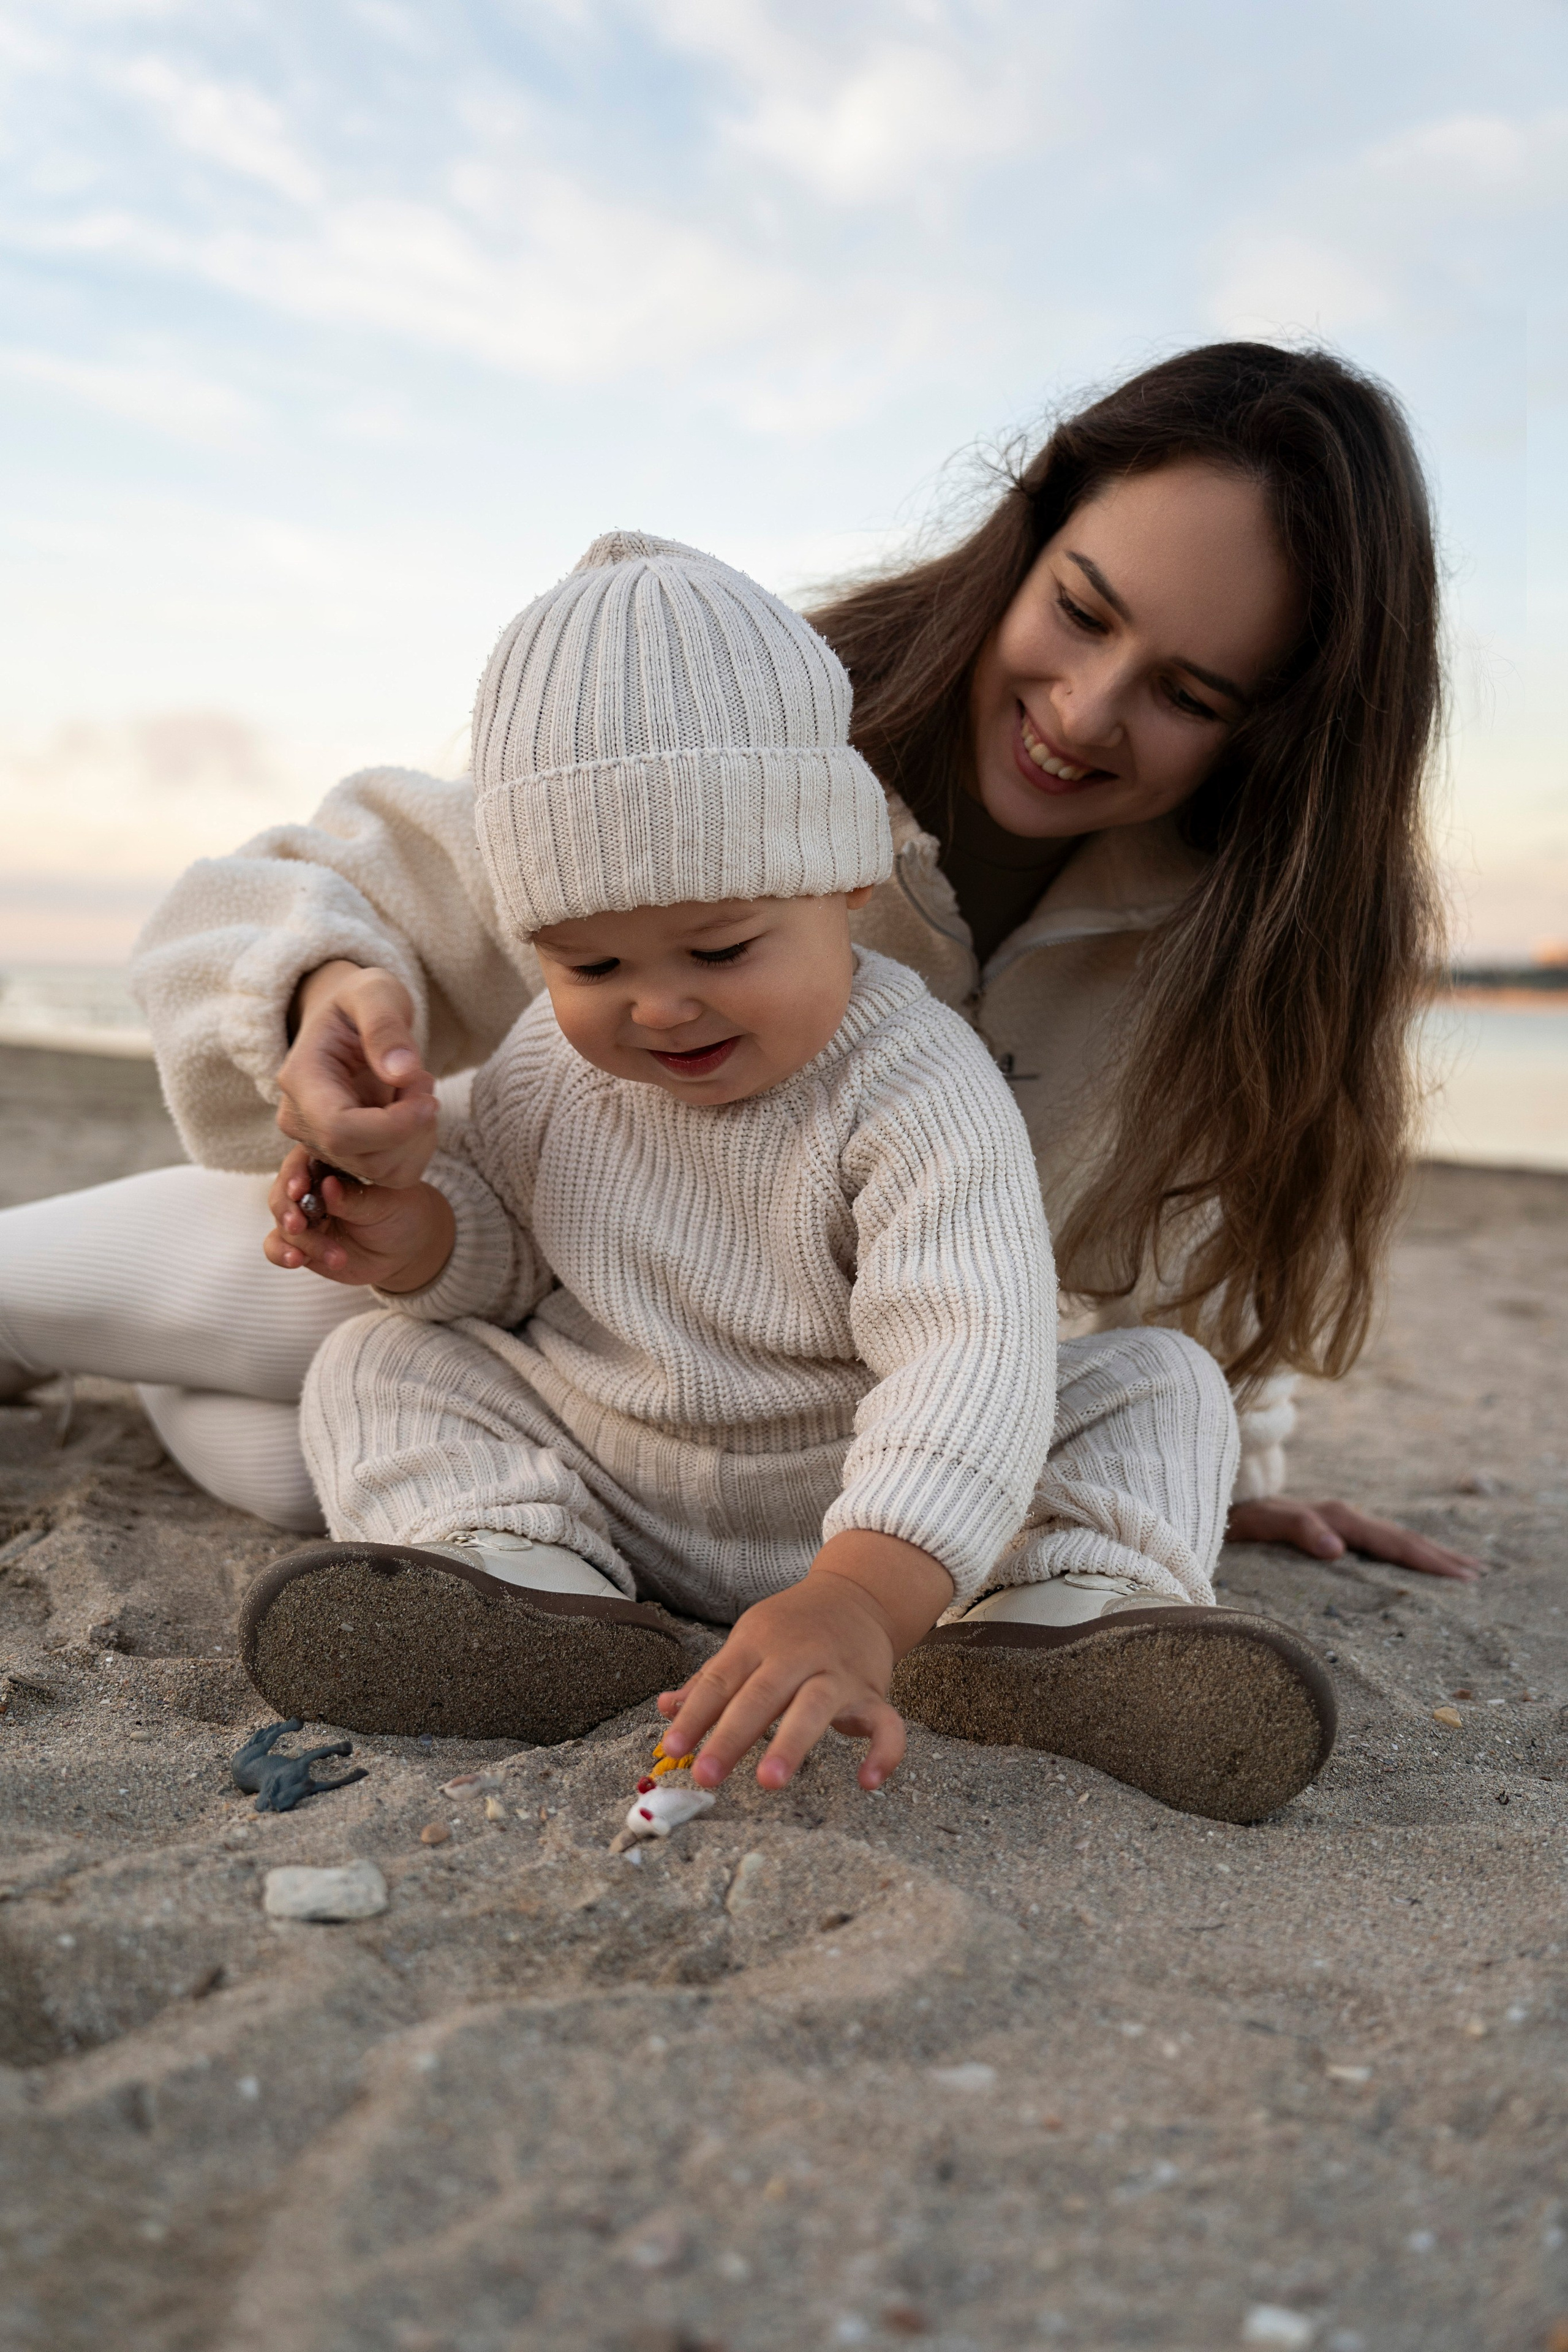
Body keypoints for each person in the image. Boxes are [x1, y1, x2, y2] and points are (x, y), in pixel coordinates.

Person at [0, 342, 1474, 1740]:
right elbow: (316, 885)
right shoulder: (725, 729)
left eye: (1189, 693)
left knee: (284, 1460)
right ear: (1022, 543)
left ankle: (470, 1543)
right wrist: (330, 992)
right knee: (333, 1344)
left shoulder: (1241, 946)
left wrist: (1214, 1468)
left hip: (872, 1424)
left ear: (1281, 732)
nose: (1082, 712)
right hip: (566, 1318)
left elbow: (1200, 1229)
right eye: (1082, 611)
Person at [239, 530, 1331, 1825]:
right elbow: (513, 1260)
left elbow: (965, 1352)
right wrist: (414, 1233)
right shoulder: (545, 1061)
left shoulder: (912, 1082)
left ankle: (1054, 1622)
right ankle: (526, 1588)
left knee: (1155, 1383)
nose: (656, 1006)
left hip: (870, 1493)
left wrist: (861, 1595)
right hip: (612, 1473)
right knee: (379, 1364)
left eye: (719, 946)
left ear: (845, 882)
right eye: (589, 966)